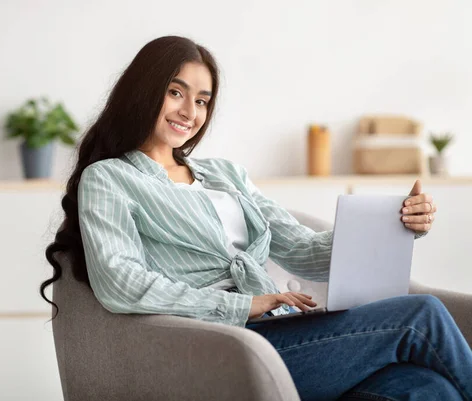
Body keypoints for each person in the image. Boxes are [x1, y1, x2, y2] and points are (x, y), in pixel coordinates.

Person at [41, 36, 471, 401]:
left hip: (284, 334)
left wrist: (397, 224)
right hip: (226, 344)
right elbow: (121, 283)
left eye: (202, 100)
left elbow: (302, 249)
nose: (190, 111)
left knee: (426, 386)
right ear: (143, 91)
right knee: (421, 316)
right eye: (176, 92)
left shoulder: (226, 175)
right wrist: (244, 304)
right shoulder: (110, 178)